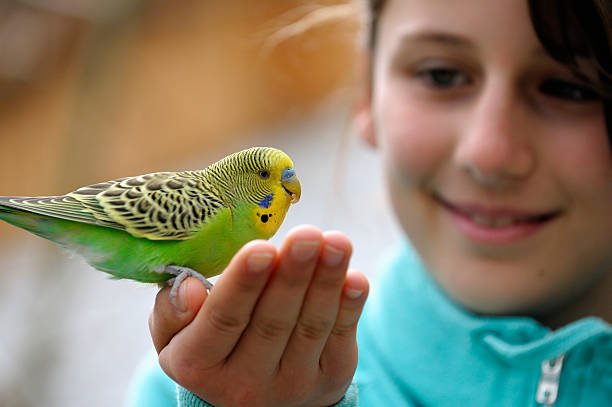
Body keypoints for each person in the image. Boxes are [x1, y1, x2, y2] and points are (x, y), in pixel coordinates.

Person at [127, 0, 612, 405]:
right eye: (441, 75)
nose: (489, 152)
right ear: (367, 91)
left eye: (570, 87)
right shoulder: (194, 379)